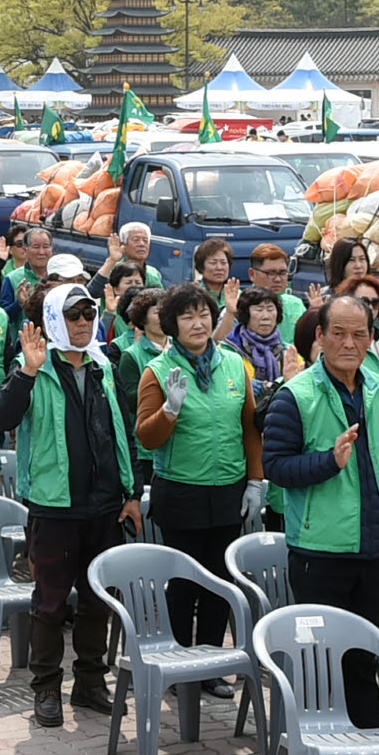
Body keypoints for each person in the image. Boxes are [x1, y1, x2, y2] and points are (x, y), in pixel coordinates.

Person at [0, 284, 139, 725]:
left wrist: (131, 493)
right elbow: (2, 417)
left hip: (105, 504)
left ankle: (90, 683)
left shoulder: (102, 366)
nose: (82, 323)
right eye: (73, 316)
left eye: (89, 315)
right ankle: (46, 688)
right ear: (55, 319)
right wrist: (28, 373)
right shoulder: (33, 366)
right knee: (50, 602)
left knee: (98, 599)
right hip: (55, 506)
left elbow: (120, 432)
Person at [261, 296, 379, 729]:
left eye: (359, 334)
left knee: (365, 653)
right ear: (321, 337)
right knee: (319, 656)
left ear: (371, 338)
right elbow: (276, 467)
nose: (350, 343)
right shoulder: (296, 395)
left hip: (374, 547)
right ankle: (317, 744)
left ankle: (368, 739)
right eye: (339, 334)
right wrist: (329, 461)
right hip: (319, 550)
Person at [135, 284, 262, 668]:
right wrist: (171, 410)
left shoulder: (234, 365)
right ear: (172, 325)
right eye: (187, 316)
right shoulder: (158, 371)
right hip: (181, 491)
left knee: (220, 582)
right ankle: (177, 663)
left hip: (227, 489)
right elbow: (147, 436)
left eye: (204, 314)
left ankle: (210, 665)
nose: (198, 323)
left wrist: (255, 480)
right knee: (184, 583)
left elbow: (249, 427)